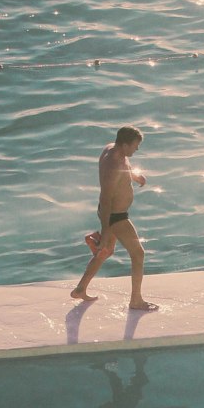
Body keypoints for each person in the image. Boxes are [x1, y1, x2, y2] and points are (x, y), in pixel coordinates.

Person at [71, 125, 158, 311]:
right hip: (115, 216)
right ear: (125, 145)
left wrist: (135, 176)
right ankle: (136, 300)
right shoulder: (114, 165)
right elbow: (106, 197)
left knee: (106, 251)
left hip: (113, 214)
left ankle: (80, 288)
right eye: (135, 146)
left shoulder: (113, 149)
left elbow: (124, 169)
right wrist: (105, 229)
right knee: (138, 254)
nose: (137, 149)